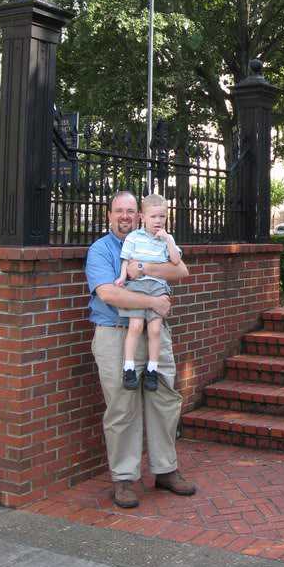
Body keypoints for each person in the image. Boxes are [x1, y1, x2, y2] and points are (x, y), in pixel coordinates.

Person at [85, 190, 196, 509]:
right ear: (109, 215)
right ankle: (124, 478)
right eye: (118, 210)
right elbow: (109, 294)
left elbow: (180, 270)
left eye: (130, 210)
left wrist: (144, 269)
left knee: (164, 399)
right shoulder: (101, 250)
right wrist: (153, 302)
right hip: (116, 333)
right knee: (122, 405)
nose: (125, 216)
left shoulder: (156, 240)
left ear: (139, 215)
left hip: (154, 334)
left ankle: (166, 469)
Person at [114, 193, 181, 394]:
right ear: (142, 217)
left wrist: (168, 239)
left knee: (155, 329)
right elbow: (126, 259)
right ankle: (129, 367)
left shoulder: (166, 239)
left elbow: (176, 261)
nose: (158, 221)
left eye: (162, 216)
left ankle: (152, 368)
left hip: (158, 287)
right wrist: (122, 277)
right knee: (135, 326)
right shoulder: (134, 237)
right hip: (137, 286)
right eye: (153, 216)